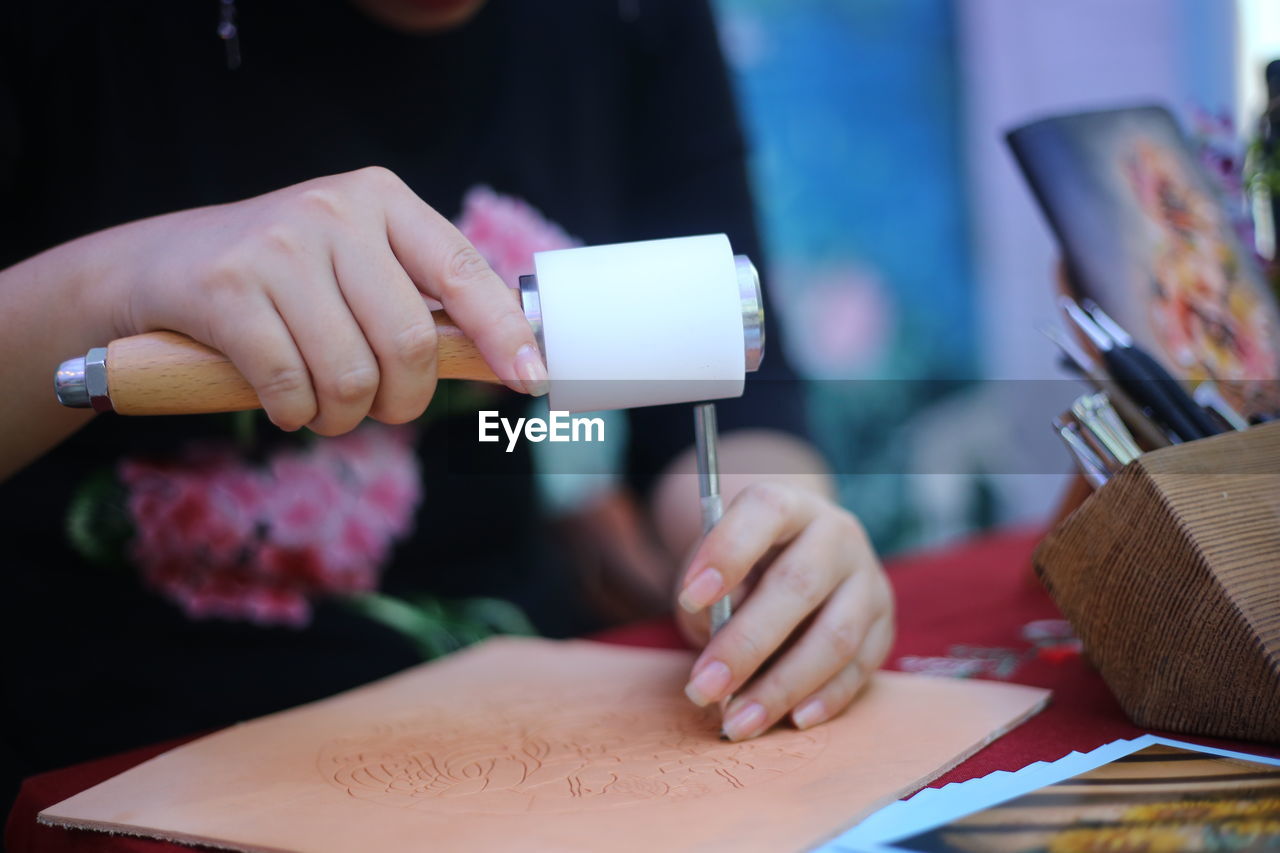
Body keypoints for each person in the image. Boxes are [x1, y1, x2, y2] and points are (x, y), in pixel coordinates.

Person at [0, 0, 893, 818]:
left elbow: (726, 394)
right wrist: (115, 282)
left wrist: (773, 544)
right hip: (113, 749)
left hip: (519, 725)